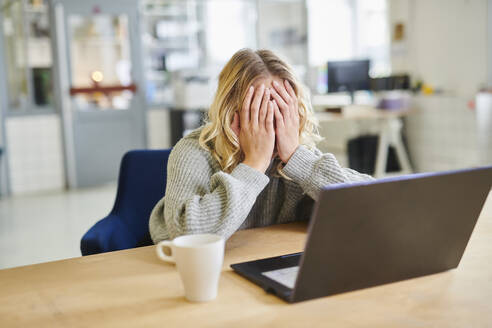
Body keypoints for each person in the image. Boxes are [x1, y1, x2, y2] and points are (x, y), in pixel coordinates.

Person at [149, 49, 373, 243]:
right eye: (259, 113)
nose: (273, 126)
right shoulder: (193, 152)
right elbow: (189, 237)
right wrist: (254, 164)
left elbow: (374, 205)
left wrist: (297, 158)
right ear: (230, 114)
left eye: (282, 111)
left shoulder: (296, 155)